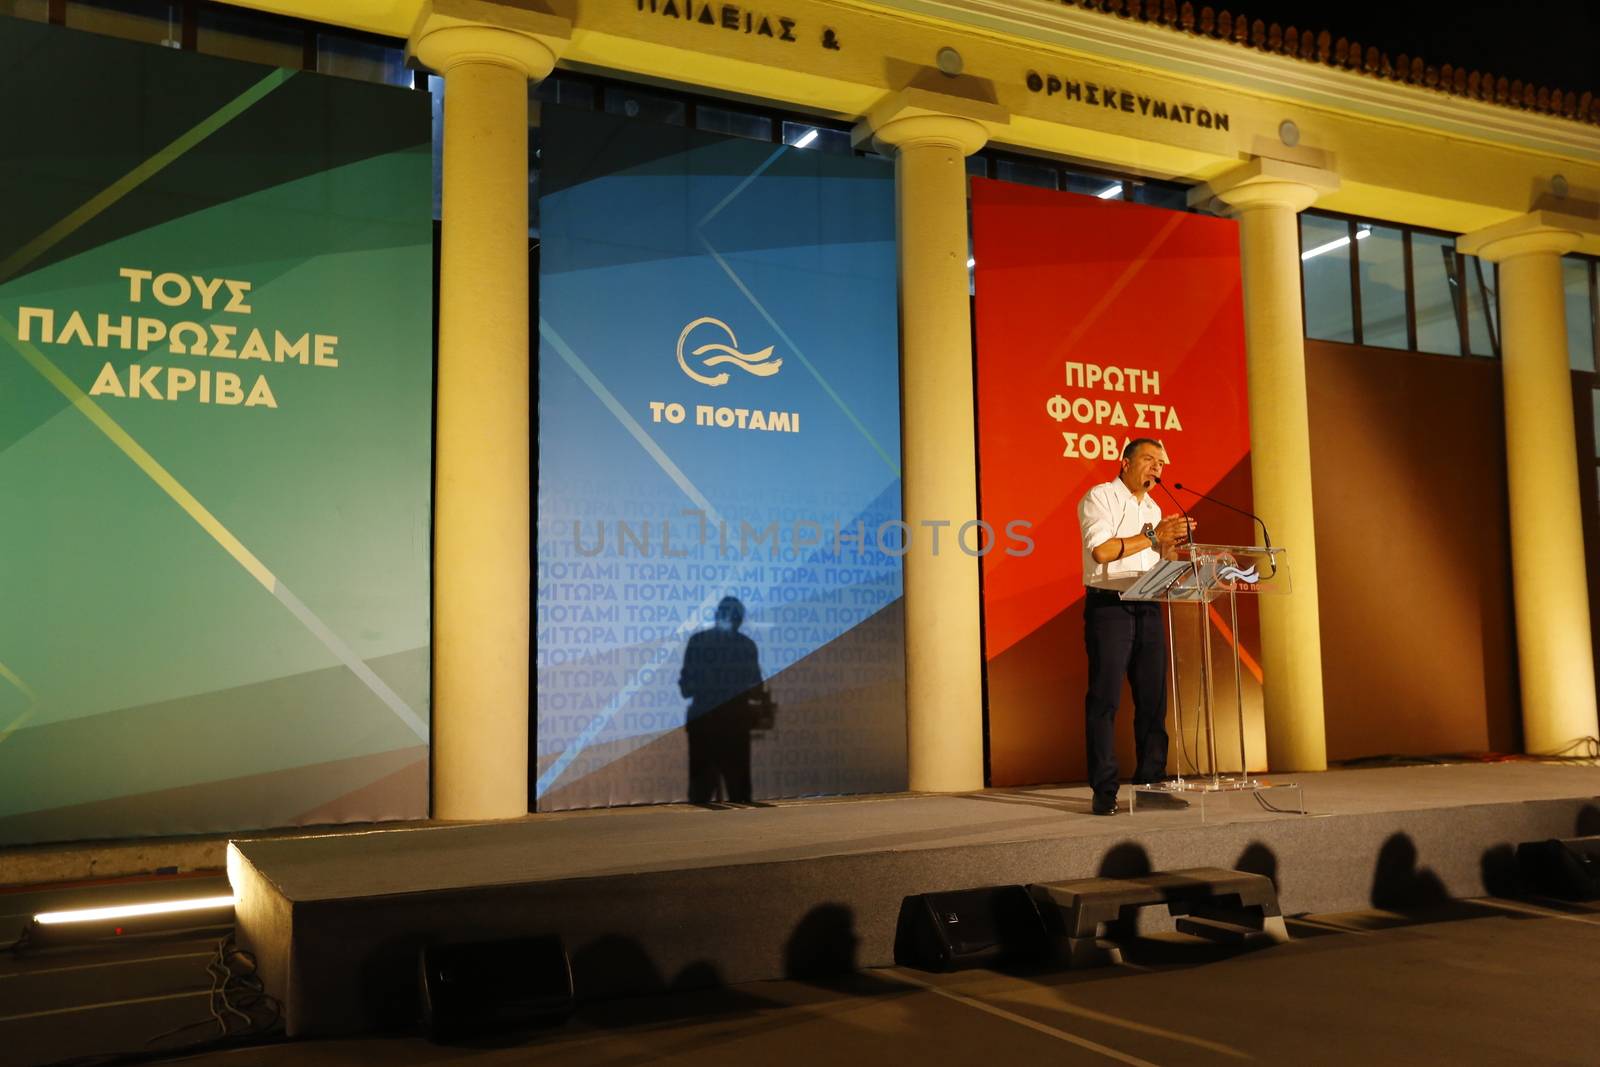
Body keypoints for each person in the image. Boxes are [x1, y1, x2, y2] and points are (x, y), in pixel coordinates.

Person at [1077, 438, 1195, 816]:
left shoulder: (1156, 507)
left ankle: (1151, 785)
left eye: (1161, 463)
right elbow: (1101, 551)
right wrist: (1152, 536)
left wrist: (1174, 546)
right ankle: (1104, 790)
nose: (1157, 468)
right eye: (1149, 459)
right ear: (1124, 462)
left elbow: (1160, 558)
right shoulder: (1100, 497)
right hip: (1110, 607)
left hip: (1147, 605)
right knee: (1105, 700)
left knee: (1152, 702)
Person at [678, 596, 765, 804]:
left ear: (718, 616)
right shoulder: (746, 646)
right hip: (734, 725)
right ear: (739, 620)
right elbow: (756, 688)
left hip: (704, 722)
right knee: (739, 791)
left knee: (701, 794)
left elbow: (686, 687)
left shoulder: (698, 642)